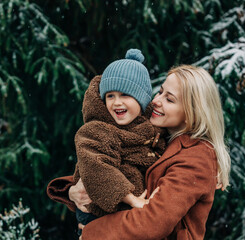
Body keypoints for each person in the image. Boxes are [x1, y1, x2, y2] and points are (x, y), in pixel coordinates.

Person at [47, 65, 231, 239]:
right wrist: (73, 190)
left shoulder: (197, 157)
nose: (156, 101)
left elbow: (154, 222)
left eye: (169, 99)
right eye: (160, 92)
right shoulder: (159, 136)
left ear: (193, 111)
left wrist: (92, 232)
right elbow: (112, 165)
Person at [70, 49, 166, 235]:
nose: (116, 102)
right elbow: (96, 166)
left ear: (142, 100)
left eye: (125, 95)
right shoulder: (97, 129)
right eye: (110, 96)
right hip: (100, 215)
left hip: (130, 219)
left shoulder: (150, 130)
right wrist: (131, 199)